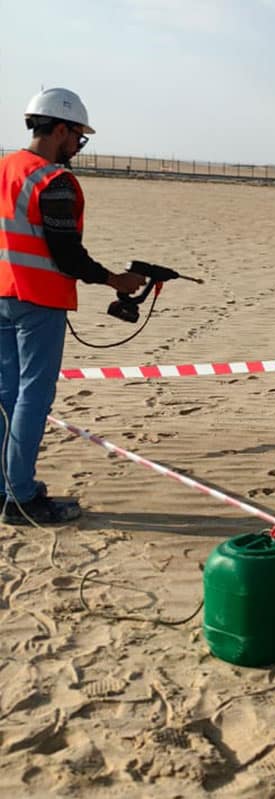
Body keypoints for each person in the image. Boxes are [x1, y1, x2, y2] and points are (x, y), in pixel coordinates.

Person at [0, 88, 146, 525]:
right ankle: (21, 495)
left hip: (2, 294)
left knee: (6, 395)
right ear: (59, 129)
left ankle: (5, 487)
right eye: (76, 137)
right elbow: (67, 255)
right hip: (37, 300)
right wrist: (115, 280)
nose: (77, 147)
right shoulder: (53, 181)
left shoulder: (5, 167)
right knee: (32, 397)